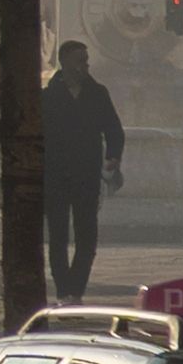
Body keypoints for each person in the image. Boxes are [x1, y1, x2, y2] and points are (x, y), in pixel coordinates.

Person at [46, 38, 127, 300]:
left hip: (87, 175)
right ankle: (63, 291)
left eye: (86, 59)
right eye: (80, 59)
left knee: (86, 239)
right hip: (55, 176)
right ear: (65, 62)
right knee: (57, 238)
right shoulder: (48, 96)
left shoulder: (97, 93)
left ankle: (75, 290)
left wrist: (113, 156)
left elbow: (114, 129)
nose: (86, 64)